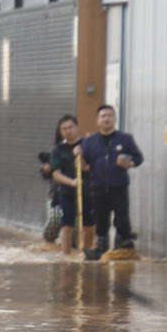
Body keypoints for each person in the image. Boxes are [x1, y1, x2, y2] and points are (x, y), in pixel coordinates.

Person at [78, 104, 144, 260]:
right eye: (103, 116)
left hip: (119, 185)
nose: (106, 119)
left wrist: (129, 163)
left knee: (122, 218)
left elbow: (139, 158)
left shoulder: (125, 139)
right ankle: (100, 249)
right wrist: (79, 156)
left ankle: (123, 248)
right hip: (98, 187)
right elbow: (84, 167)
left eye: (109, 115)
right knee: (101, 220)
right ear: (97, 120)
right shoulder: (89, 142)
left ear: (114, 119)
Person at [46, 114, 82, 255]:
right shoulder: (57, 150)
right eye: (64, 129)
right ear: (60, 131)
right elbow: (55, 174)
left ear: (77, 127)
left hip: (88, 192)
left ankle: (87, 253)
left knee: (88, 225)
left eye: (70, 127)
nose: (68, 131)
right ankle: (66, 256)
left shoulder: (86, 144)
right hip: (66, 192)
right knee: (66, 224)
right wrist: (72, 182)